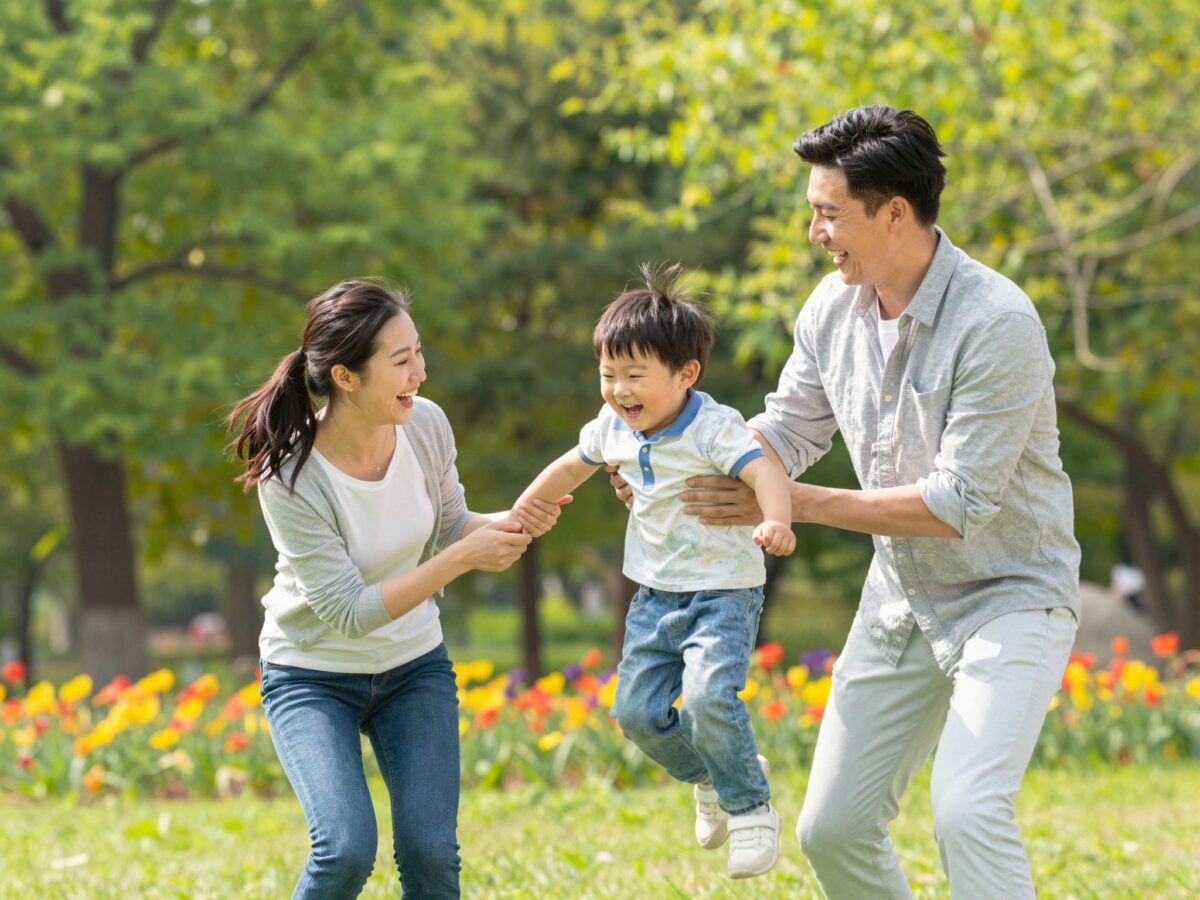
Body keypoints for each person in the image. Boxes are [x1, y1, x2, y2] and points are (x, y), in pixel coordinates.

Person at [613, 106, 1082, 899]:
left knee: (967, 808)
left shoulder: (996, 322)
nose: (815, 233)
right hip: (902, 597)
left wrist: (794, 502)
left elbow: (958, 502)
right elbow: (786, 432)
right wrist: (681, 465)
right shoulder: (830, 311)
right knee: (830, 828)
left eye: (828, 214)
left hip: (1012, 594)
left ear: (894, 213)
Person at [227, 279, 561, 899]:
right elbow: (350, 613)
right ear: (347, 377)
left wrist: (513, 518)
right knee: (345, 849)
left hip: (413, 668)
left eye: (419, 354)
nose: (420, 374)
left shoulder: (426, 425)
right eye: (401, 361)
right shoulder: (291, 476)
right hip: (311, 675)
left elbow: (450, 523)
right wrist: (463, 558)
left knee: (432, 857)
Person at [514, 262, 796, 879]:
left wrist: (777, 519)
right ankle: (716, 773)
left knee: (705, 697)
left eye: (634, 375)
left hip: (723, 593)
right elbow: (570, 465)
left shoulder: (715, 427)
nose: (618, 390)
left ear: (686, 374)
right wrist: (526, 508)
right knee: (636, 714)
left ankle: (750, 806)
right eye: (608, 375)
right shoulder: (614, 426)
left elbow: (764, 470)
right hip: (653, 596)